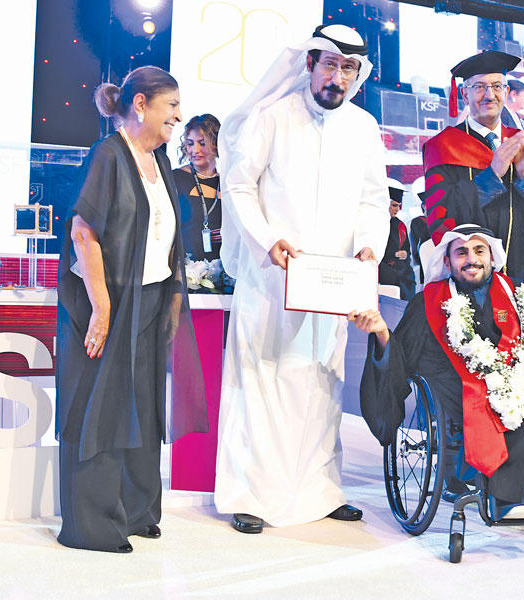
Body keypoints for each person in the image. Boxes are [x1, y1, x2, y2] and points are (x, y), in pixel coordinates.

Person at [214, 24, 390, 533]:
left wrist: (369, 245)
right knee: (261, 383)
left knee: (321, 384)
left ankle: (320, 492)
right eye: (330, 65)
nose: (339, 77)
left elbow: (373, 200)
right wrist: (268, 240)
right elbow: (240, 186)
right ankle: (249, 495)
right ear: (310, 64)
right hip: (273, 279)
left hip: (333, 282)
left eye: (348, 68)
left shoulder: (363, 127)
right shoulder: (272, 116)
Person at [55, 66, 208, 553]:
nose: (178, 117)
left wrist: (173, 295)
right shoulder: (108, 154)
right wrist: (101, 308)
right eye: (172, 106)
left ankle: (136, 510)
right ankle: (93, 525)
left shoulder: (158, 160)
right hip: (110, 305)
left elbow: (166, 235)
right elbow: (84, 233)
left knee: (141, 405)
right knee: (99, 409)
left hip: (148, 303)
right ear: (141, 105)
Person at [352, 224, 524, 522]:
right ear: (447, 261)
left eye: (478, 251)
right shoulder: (428, 302)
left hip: (519, 384)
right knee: (485, 393)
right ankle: (507, 497)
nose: (471, 259)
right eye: (461, 252)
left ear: (492, 257)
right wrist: (382, 333)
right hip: (457, 391)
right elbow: (401, 358)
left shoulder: (521, 296)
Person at [422, 51, 524, 282]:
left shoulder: (523, 144)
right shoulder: (443, 147)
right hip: (471, 277)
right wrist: (492, 176)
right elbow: (440, 217)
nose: (490, 95)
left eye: (497, 86)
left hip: (521, 275)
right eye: (479, 87)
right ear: (464, 94)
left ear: (506, 91)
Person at [172, 113, 222, 262]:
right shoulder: (176, 178)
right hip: (187, 267)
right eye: (190, 143)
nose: (195, 150)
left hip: (222, 267)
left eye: (202, 143)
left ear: (216, 144)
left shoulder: (228, 183)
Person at [379, 187, 415, 299]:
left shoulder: (400, 225)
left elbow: (407, 250)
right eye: (394, 205)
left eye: (399, 206)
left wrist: (405, 254)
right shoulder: (377, 224)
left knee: (408, 276)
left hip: (401, 267)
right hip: (383, 267)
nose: (397, 209)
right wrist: (394, 254)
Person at [409, 197, 430, 284]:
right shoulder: (417, 221)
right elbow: (417, 240)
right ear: (424, 206)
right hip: (425, 257)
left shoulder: (440, 221)